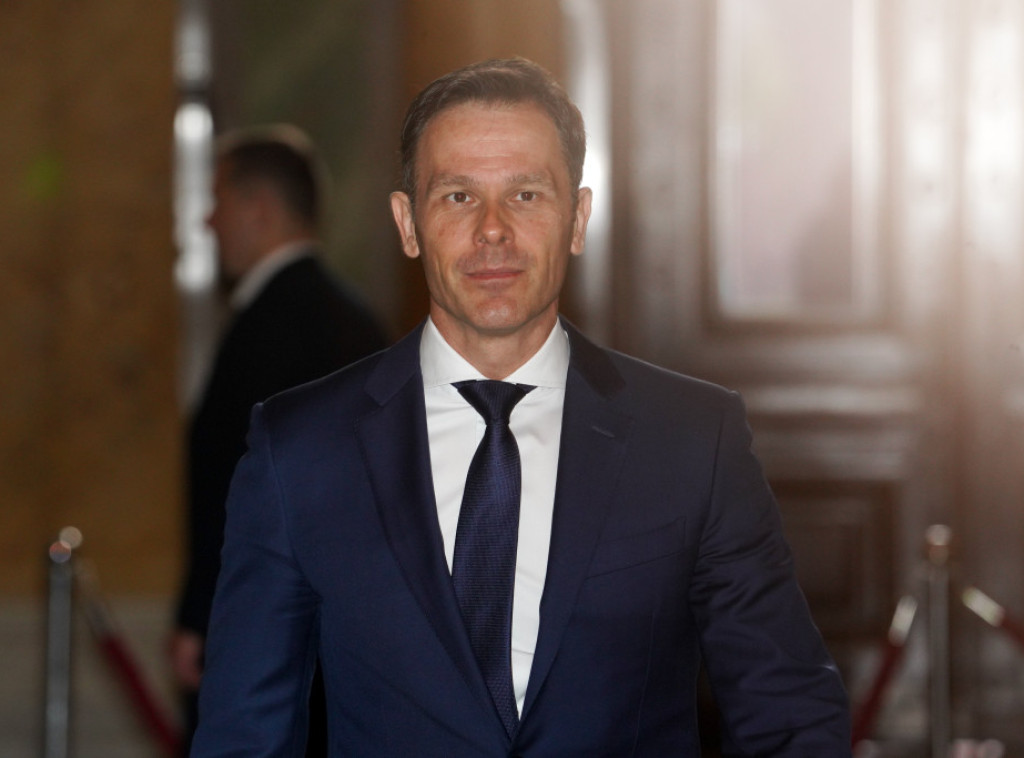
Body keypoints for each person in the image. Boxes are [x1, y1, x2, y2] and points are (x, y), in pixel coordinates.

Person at [190, 59, 851, 756]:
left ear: (578, 219)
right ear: (408, 224)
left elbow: (789, 716)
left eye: (526, 194)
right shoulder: (299, 450)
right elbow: (244, 738)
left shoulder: (692, 441)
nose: (493, 230)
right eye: (458, 197)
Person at [170, 125, 388, 755]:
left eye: (217, 200)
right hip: (355, 637)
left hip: (268, 635)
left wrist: (200, 617)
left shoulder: (263, 328)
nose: (208, 221)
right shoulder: (359, 319)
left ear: (258, 208)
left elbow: (236, 490)